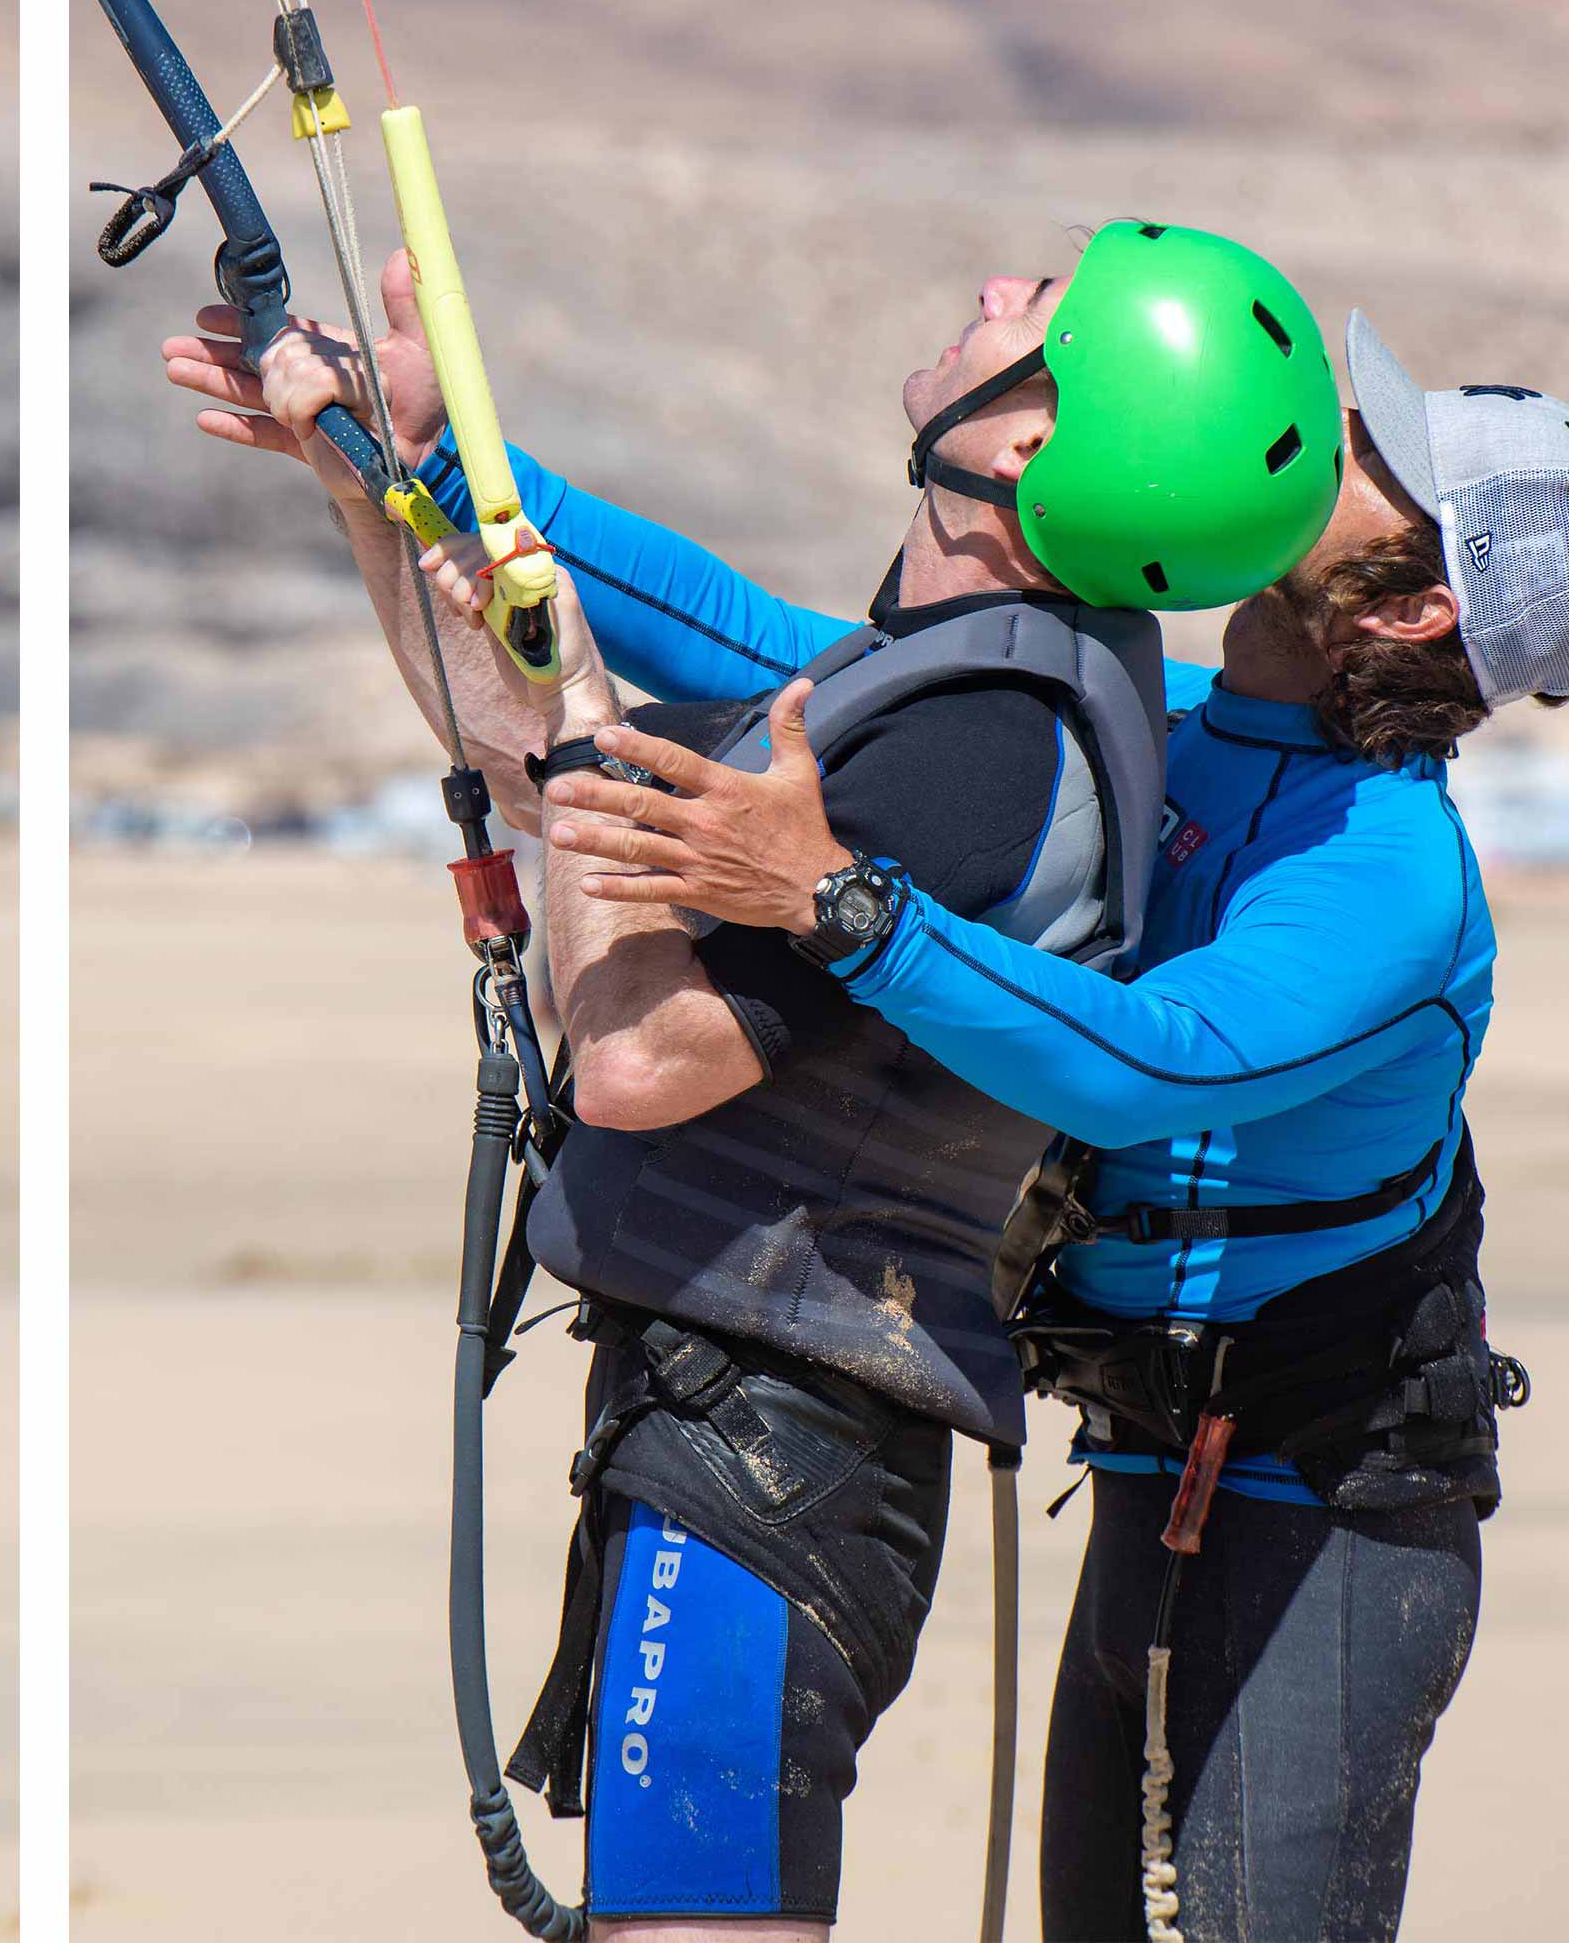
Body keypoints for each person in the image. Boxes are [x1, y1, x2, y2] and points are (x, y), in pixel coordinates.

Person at [164, 223, 1341, 1938]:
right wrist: (379, 481)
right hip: (741, 1419)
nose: (1001, 290)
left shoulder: (981, 740)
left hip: (777, 1443)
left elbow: (636, 1055)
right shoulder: (943, 668)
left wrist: (571, 708)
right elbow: (522, 755)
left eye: (1043, 314)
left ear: (1029, 443)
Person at [505, 317, 1569, 1943]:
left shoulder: (1393, 873)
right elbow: (766, 644)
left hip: (1327, 1517)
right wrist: (447, 469)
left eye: (1380, 460)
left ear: (1415, 602)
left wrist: (845, 910)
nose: (1328, 428)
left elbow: (1156, 1064)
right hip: (1156, 1464)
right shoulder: (1194, 718)